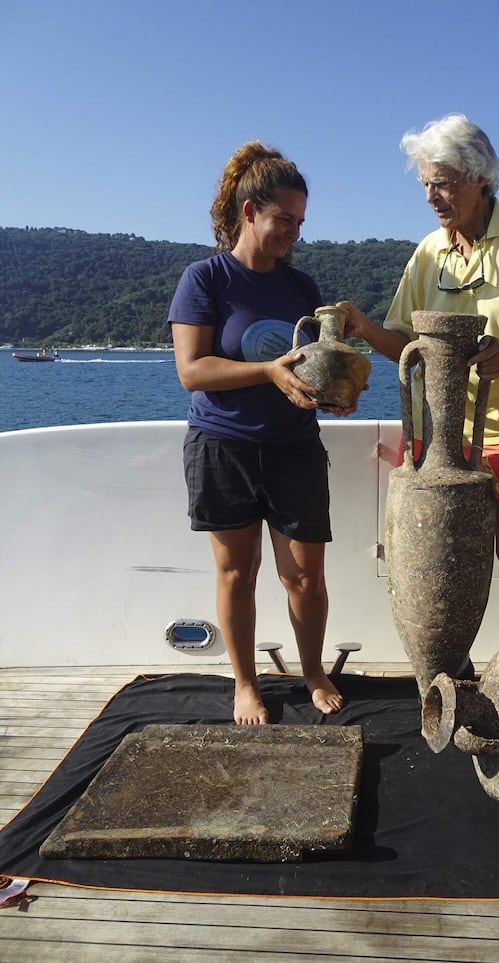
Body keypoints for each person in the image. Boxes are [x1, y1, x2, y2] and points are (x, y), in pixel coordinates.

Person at [339, 114, 499, 646]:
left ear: (479, 178)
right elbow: (407, 347)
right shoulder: (429, 252)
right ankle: (441, 665)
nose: (430, 196)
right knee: (427, 549)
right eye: (425, 183)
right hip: (433, 431)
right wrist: (363, 329)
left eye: (442, 182)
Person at [168, 140, 346, 725]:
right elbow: (192, 371)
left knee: (305, 576)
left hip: (294, 446)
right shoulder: (206, 279)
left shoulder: (301, 288)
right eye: (283, 220)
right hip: (224, 446)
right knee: (237, 574)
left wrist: (336, 390)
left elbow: (314, 365)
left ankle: (313, 669)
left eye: (299, 221)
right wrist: (267, 371)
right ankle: (245, 683)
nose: (293, 232)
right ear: (249, 212)